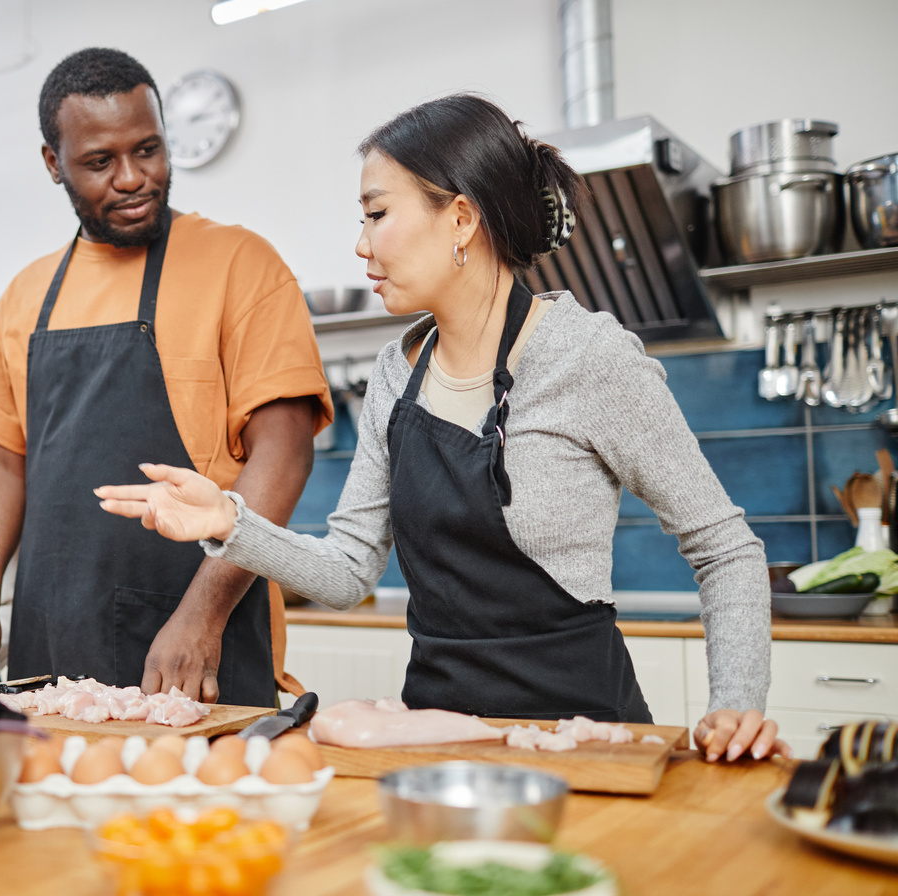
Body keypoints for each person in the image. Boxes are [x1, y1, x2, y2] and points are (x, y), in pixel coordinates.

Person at [96, 93, 789, 763]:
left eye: (376, 215)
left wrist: (737, 701)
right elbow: (346, 572)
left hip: (584, 741)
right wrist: (228, 520)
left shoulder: (588, 358)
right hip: (434, 741)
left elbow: (724, 545)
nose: (361, 245)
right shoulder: (395, 374)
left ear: (459, 218)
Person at [0, 48, 332, 707]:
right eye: (100, 162)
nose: (133, 178)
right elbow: (2, 460)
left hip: (199, 644)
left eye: (149, 150)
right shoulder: (26, 295)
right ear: (54, 164)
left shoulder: (240, 263)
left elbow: (285, 451)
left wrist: (201, 616)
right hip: (49, 643)